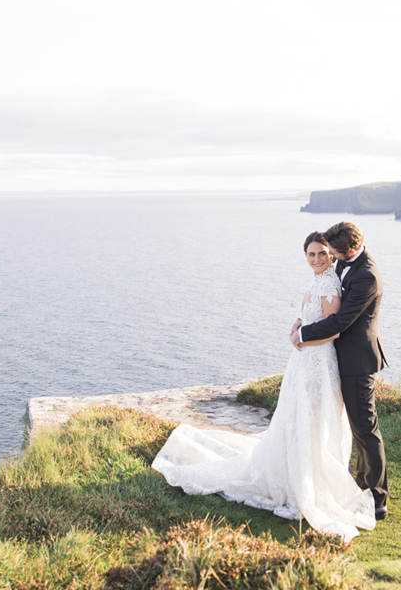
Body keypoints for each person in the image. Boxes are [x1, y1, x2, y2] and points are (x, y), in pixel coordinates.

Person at [151, 231, 377, 543]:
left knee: (313, 420)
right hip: (304, 362)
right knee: (298, 420)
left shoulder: (329, 282)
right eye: (311, 255)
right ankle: (296, 470)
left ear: (332, 254)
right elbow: (311, 315)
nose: (317, 259)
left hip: (318, 364)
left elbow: (333, 329)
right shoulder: (321, 279)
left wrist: (303, 335)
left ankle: (312, 480)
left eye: (322, 254)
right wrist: (298, 324)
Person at [290, 221, 388, 520]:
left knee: (365, 429)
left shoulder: (367, 275)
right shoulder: (345, 264)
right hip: (339, 359)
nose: (327, 258)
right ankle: (358, 483)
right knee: (353, 427)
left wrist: (302, 335)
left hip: (357, 362)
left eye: (332, 254)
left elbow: (340, 321)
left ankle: (377, 499)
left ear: (352, 250)